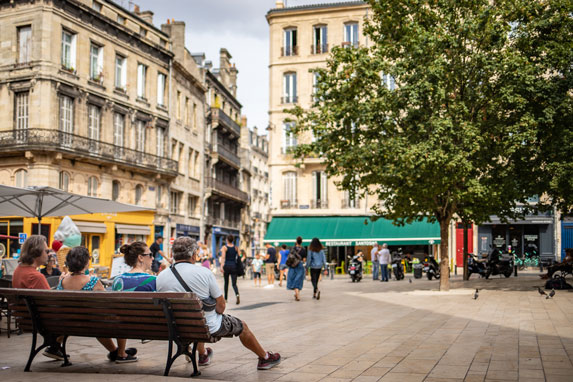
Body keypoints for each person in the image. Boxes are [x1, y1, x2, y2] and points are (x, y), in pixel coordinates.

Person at [157, 237, 281, 370]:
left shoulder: (161, 276)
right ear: (193, 255)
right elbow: (221, 307)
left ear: (173, 254)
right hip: (205, 327)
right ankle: (265, 358)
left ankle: (203, 354)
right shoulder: (204, 273)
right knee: (241, 326)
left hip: (174, 328)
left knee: (198, 320)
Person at [58, 246, 137, 363]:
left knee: (96, 320)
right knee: (120, 315)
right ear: (85, 262)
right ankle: (121, 353)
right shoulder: (92, 281)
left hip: (68, 323)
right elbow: (109, 303)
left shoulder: (62, 281)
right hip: (92, 323)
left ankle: (114, 351)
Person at [12, 235, 66, 361]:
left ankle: (54, 346)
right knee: (75, 312)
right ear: (36, 252)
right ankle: (54, 345)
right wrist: (63, 283)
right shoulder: (35, 276)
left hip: (27, 319)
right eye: (46, 251)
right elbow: (52, 304)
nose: (48, 254)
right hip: (44, 322)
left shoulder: (18, 271)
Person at [220, 234, 240, 305]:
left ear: (227, 240)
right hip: (234, 266)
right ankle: (237, 294)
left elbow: (223, 257)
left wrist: (221, 266)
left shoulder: (225, 247)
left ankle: (225, 298)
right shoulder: (236, 248)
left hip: (227, 266)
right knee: (234, 283)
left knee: (226, 283)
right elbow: (239, 257)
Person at [286, 237, 306, 301]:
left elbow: (289, 256)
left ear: (296, 241)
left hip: (292, 265)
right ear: (301, 242)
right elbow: (304, 260)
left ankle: (296, 292)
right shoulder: (303, 249)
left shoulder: (292, 248)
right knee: (299, 279)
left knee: (293, 278)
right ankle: (297, 293)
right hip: (299, 264)